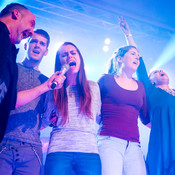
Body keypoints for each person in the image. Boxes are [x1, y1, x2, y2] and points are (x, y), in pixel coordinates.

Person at [0, 29, 65, 175]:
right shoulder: (11, 69)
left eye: (42, 44)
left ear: (46, 51)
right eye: (34, 41)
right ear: (25, 45)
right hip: (3, 143)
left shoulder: (47, 80)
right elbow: (6, 101)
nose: (37, 46)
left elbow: (48, 118)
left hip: (31, 149)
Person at [119, 16, 175, 175]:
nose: (160, 71)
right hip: (161, 146)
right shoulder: (150, 92)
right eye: (155, 72)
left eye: (161, 70)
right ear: (150, 81)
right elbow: (140, 64)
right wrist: (128, 35)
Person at [42, 42, 102, 175]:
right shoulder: (53, 88)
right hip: (59, 151)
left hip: (89, 152)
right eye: (64, 55)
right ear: (60, 63)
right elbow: (47, 120)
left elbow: (98, 117)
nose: (70, 56)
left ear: (80, 58)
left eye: (73, 53)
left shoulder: (93, 87)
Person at [97, 43, 150, 174]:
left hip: (134, 146)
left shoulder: (140, 86)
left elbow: (146, 118)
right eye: (133, 54)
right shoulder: (106, 80)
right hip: (109, 141)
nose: (137, 58)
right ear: (120, 58)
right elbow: (93, 109)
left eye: (138, 56)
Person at [0, 3, 36, 142]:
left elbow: (9, 101)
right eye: (31, 23)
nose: (32, 32)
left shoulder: (10, 53)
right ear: (16, 14)